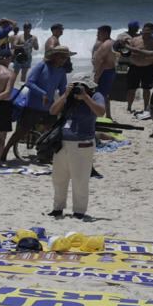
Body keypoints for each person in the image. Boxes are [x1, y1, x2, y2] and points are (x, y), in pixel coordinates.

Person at [47, 78, 105, 219]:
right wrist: (66, 95)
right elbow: (53, 111)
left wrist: (85, 97)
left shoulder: (95, 95)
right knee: (59, 178)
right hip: (62, 143)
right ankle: (57, 208)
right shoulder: (69, 96)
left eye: (82, 86)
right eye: (76, 85)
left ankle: (79, 211)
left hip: (83, 144)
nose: (78, 88)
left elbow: (101, 112)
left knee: (80, 179)